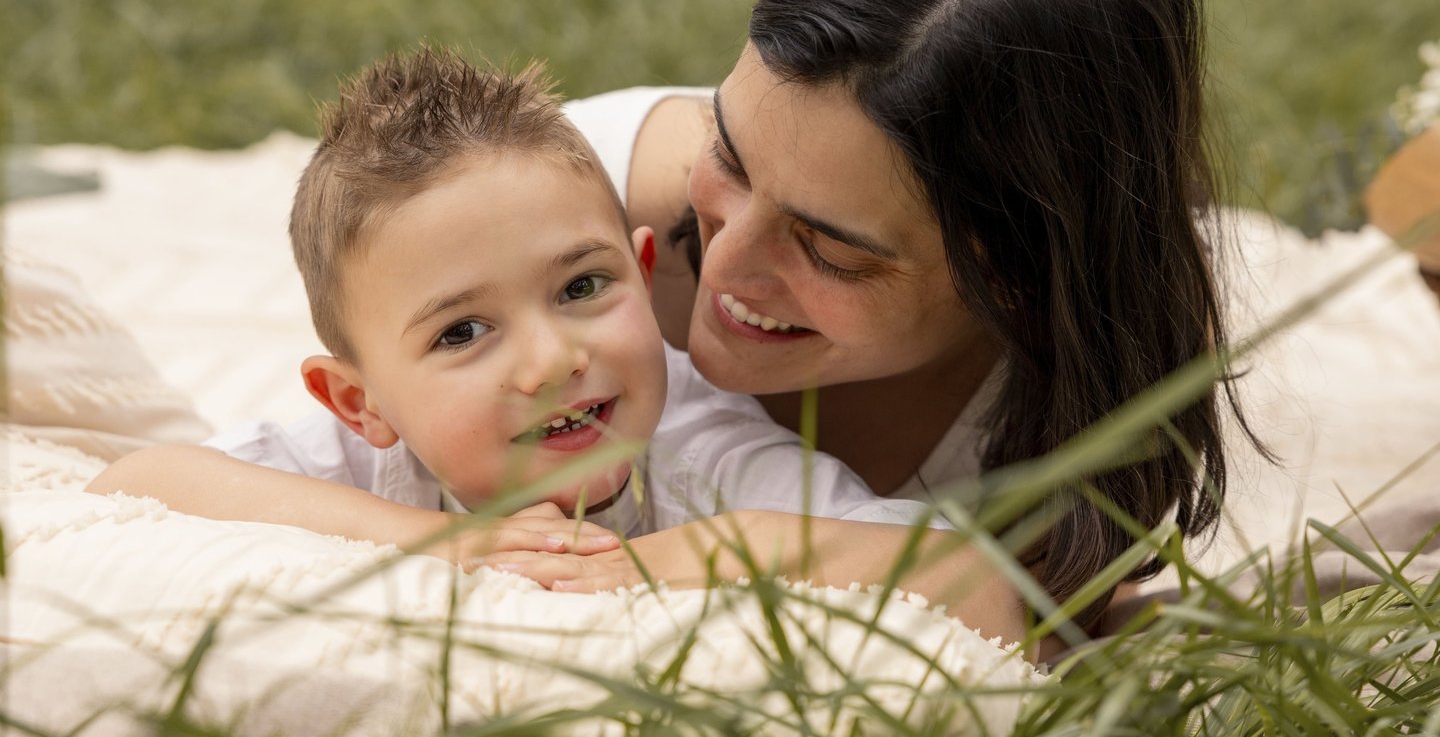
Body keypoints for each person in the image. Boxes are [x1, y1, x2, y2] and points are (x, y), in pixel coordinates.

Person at [528, 0, 1264, 630]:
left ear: (1014, 277)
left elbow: (1045, 631)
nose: (725, 264)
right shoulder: (552, 216)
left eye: (830, 250)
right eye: (729, 156)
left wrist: (766, 544)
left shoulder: (1099, 374)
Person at [86, 47, 1021, 642]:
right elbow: (137, 487)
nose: (552, 360)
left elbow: (972, 582)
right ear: (360, 403)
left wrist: (712, 551)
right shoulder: (367, 468)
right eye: (463, 331)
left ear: (645, 274)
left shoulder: (705, 453)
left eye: (582, 287)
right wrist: (442, 542)